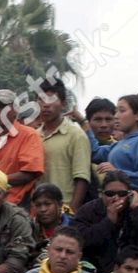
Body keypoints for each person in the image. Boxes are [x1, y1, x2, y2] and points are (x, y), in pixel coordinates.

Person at [70, 169, 138, 273]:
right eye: (110, 194)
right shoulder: (89, 210)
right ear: (102, 194)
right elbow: (77, 241)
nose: (115, 198)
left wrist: (137, 211)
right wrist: (108, 222)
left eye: (122, 194)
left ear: (130, 194)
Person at [0, 88, 43, 205]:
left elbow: (30, 173)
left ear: (15, 109)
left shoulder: (29, 135)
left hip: (18, 204)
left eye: (2, 107)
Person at [35, 78, 91, 211]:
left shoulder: (76, 135)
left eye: (51, 100)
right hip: (37, 211)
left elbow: (82, 178)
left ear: (63, 104)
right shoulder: (33, 136)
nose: (45, 105)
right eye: (41, 100)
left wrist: (71, 211)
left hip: (64, 209)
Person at [91, 95, 138, 201]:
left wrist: (117, 173)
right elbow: (95, 153)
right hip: (119, 203)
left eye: (122, 111)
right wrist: (85, 126)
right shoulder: (119, 144)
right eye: (116, 111)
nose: (116, 116)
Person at [28, 182, 72, 260]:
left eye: (47, 204)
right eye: (38, 205)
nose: (43, 209)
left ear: (59, 204)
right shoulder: (29, 229)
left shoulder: (74, 227)